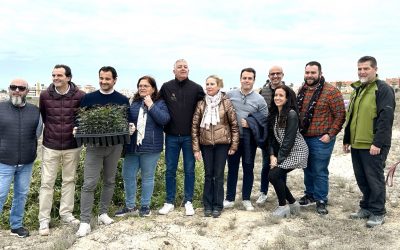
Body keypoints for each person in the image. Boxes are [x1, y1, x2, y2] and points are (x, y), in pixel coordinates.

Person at [76, 66, 134, 237]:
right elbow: (79, 120)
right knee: (89, 183)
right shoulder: (88, 98)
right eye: (101, 78)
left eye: (107, 79)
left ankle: (102, 213)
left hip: (115, 146)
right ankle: (85, 221)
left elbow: (128, 120)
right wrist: (76, 128)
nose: (104, 81)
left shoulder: (122, 99)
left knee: (109, 180)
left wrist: (130, 127)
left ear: (115, 80)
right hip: (94, 147)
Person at [343, 56, 396, 227]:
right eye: (359, 69)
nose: (362, 72)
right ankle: (366, 207)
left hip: (373, 144)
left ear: (375, 69)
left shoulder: (383, 89)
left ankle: (378, 211)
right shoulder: (358, 89)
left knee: (374, 178)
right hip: (357, 143)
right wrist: (347, 139)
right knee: (362, 178)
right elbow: (351, 116)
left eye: (366, 68)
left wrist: (378, 143)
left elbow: (385, 118)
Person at [38, 64, 85, 236]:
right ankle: (44, 219)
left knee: (69, 181)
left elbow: (82, 118)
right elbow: (44, 117)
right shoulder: (44, 95)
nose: (56, 78)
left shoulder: (80, 95)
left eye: (59, 75)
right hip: (50, 145)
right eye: (53, 75)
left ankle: (66, 214)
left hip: (72, 146)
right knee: (47, 183)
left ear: (68, 78)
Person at [115, 76, 170, 218]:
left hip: (151, 147)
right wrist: (128, 126)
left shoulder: (160, 103)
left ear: (153, 88)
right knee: (128, 176)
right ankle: (130, 206)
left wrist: (151, 105)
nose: (142, 88)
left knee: (147, 177)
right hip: (132, 146)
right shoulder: (133, 102)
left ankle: (145, 206)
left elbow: (164, 120)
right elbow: (126, 120)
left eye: (146, 86)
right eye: (140, 85)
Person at [296, 61, 346, 215]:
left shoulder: (331, 91)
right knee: (307, 168)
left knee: (319, 170)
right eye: (307, 72)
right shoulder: (301, 90)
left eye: (313, 73)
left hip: (321, 139)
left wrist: (330, 134)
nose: (309, 76)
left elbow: (340, 115)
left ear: (320, 73)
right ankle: (310, 195)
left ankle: (321, 199)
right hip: (304, 137)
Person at [158, 59, 205, 216]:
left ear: (188, 70)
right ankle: (169, 201)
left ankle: (188, 201)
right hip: (171, 136)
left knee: (189, 170)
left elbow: (206, 109)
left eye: (185, 67)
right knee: (170, 169)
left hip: (189, 137)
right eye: (180, 67)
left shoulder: (197, 89)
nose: (183, 69)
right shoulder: (166, 87)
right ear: (174, 71)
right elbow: (157, 105)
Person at [192, 75, 239, 218]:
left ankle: (218, 205)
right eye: (207, 84)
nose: (209, 86)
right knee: (208, 175)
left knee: (218, 176)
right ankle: (207, 205)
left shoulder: (226, 103)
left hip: (222, 145)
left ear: (219, 86)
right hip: (206, 144)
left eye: (212, 84)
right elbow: (194, 127)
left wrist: (234, 145)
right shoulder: (201, 104)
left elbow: (234, 125)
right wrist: (196, 148)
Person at [0, 79, 43, 238]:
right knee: (0, 194)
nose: (17, 90)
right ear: (9, 89)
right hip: (3, 161)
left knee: (21, 194)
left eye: (21, 88)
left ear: (27, 91)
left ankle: (16, 226)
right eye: (13, 87)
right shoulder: (0, 108)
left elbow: (37, 133)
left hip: (26, 161)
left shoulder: (35, 110)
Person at [224, 68, 268, 211]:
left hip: (250, 141)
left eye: (250, 78)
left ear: (254, 80)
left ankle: (246, 199)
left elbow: (264, 119)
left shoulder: (259, 100)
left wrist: (250, 123)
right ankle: (229, 198)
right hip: (234, 139)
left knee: (248, 169)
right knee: (232, 169)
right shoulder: (230, 95)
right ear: (240, 79)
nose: (247, 80)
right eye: (244, 78)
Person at [268, 85, 308, 218]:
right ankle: (292, 203)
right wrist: (272, 155)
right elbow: (273, 138)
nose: (277, 98)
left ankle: (283, 206)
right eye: (276, 95)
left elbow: (289, 140)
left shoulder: (291, 114)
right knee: (275, 175)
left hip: (297, 151)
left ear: (287, 98)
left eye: (281, 95)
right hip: (286, 151)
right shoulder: (275, 115)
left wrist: (278, 160)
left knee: (273, 175)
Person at [257, 65, 286, 205]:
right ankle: (263, 192)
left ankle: (283, 193)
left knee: (282, 166)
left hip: (282, 134)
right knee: (266, 164)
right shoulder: (263, 91)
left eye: (278, 73)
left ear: (282, 75)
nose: (275, 76)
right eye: (272, 74)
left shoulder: (288, 91)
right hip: (268, 135)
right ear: (268, 76)